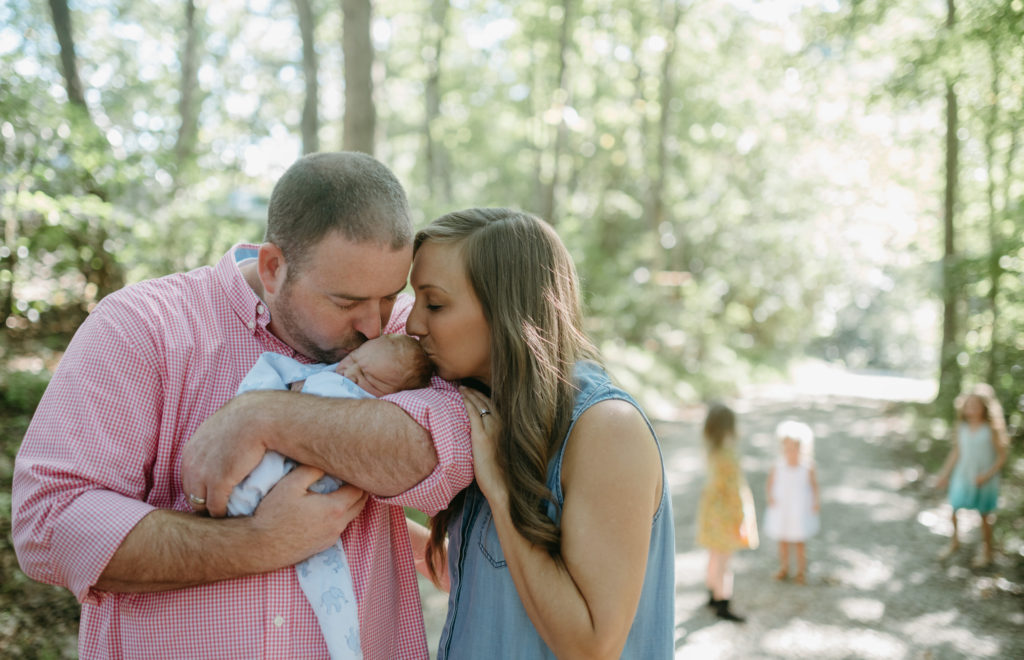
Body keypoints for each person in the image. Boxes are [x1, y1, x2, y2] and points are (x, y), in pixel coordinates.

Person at [12, 151, 474, 660]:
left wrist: (265, 416)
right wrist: (259, 541)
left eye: (388, 295)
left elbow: (456, 448)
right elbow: (51, 521)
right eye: (346, 303)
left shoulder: (408, 333)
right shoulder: (141, 327)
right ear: (274, 267)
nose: (374, 323)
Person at [410, 208, 675, 658]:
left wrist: (500, 490)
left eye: (434, 304)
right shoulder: (490, 416)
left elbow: (592, 646)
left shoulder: (607, 430)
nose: (414, 324)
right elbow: (487, 580)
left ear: (506, 311)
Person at [226, 334, 434, 659]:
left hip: (322, 511)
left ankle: (346, 650)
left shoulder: (370, 408)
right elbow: (271, 370)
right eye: (353, 363)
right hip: (259, 477)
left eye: (370, 379)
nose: (351, 376)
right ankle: (240, 499)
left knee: (335, 597)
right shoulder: (321, 373)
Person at [935, 383, 1009, 568]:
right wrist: (944, 474)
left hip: (985, 478)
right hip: (963, 474)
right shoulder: (962, 427)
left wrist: (987, 475)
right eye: (968, 405)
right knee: (954, 507)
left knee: (984, 516)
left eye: (975, 406)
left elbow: (1002, 456)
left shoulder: (991, 428)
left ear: (985, 407)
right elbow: (956, 452)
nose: (971, 409)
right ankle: (954, 542)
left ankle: (987, 551)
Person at [695, 403, 758, 622]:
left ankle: (712, 593)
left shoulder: (711, 451)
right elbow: (734, 490)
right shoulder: (728, 455)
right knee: (724, 560)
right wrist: (741, 517)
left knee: (714, 554)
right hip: (726, 514)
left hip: (712, 512)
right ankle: (723, 601)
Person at [763, 420, 820, 585]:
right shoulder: (778, 466)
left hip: (799, 509)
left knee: (800, 541)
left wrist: (815, 502)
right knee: (783, 540)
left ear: (802, 448)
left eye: (795, 448)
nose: (791, 452)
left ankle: (801, 571)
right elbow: (770, 483)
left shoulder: (808, 467)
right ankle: (784, 567)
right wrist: (770, 496)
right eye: (787, 448)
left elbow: (814, 486)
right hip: (783, 508)